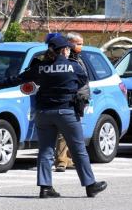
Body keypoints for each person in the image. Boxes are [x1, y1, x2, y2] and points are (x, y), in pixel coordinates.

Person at [0, 36, 107, 198]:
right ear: (64, 50)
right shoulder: (73, 66)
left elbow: (18, 79)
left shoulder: (40, 67)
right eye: (68, 48)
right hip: (66, 113)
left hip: (44, 114)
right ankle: (90, 185)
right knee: (78, 149)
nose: (69, 51)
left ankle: (45, 188)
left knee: (45, 150)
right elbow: (82, 81)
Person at [55, 32, 89, 173]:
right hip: (69, 98)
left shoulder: (78, 58)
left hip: (79, 98)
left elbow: (84, 80)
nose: (81, 46)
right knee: (64, 131)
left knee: (74, 131)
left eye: (81, 43)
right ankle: (61, 161)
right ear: (69, 43)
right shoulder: (65, 59)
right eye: (78, 43)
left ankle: (68, 159)